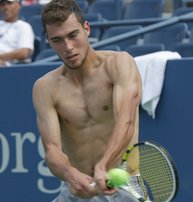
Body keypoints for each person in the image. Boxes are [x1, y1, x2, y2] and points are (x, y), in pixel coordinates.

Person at [32, 0, 146, 201]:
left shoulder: (119, 64)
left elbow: (126, 123)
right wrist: (70, 174)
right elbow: (52, 150)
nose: (68, 47)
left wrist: (103, 165)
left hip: (121, 182)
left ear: (86, 29)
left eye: (73, 35)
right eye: (57, 40)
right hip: (77, 189)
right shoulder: (44, 87)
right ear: (48, 40)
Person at [0, 0, 35, 66]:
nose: (5, 7)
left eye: (9, 3)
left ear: (18, 5)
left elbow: (24, 53)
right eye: (2, 4)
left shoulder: (24, 26)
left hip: (10, 67)